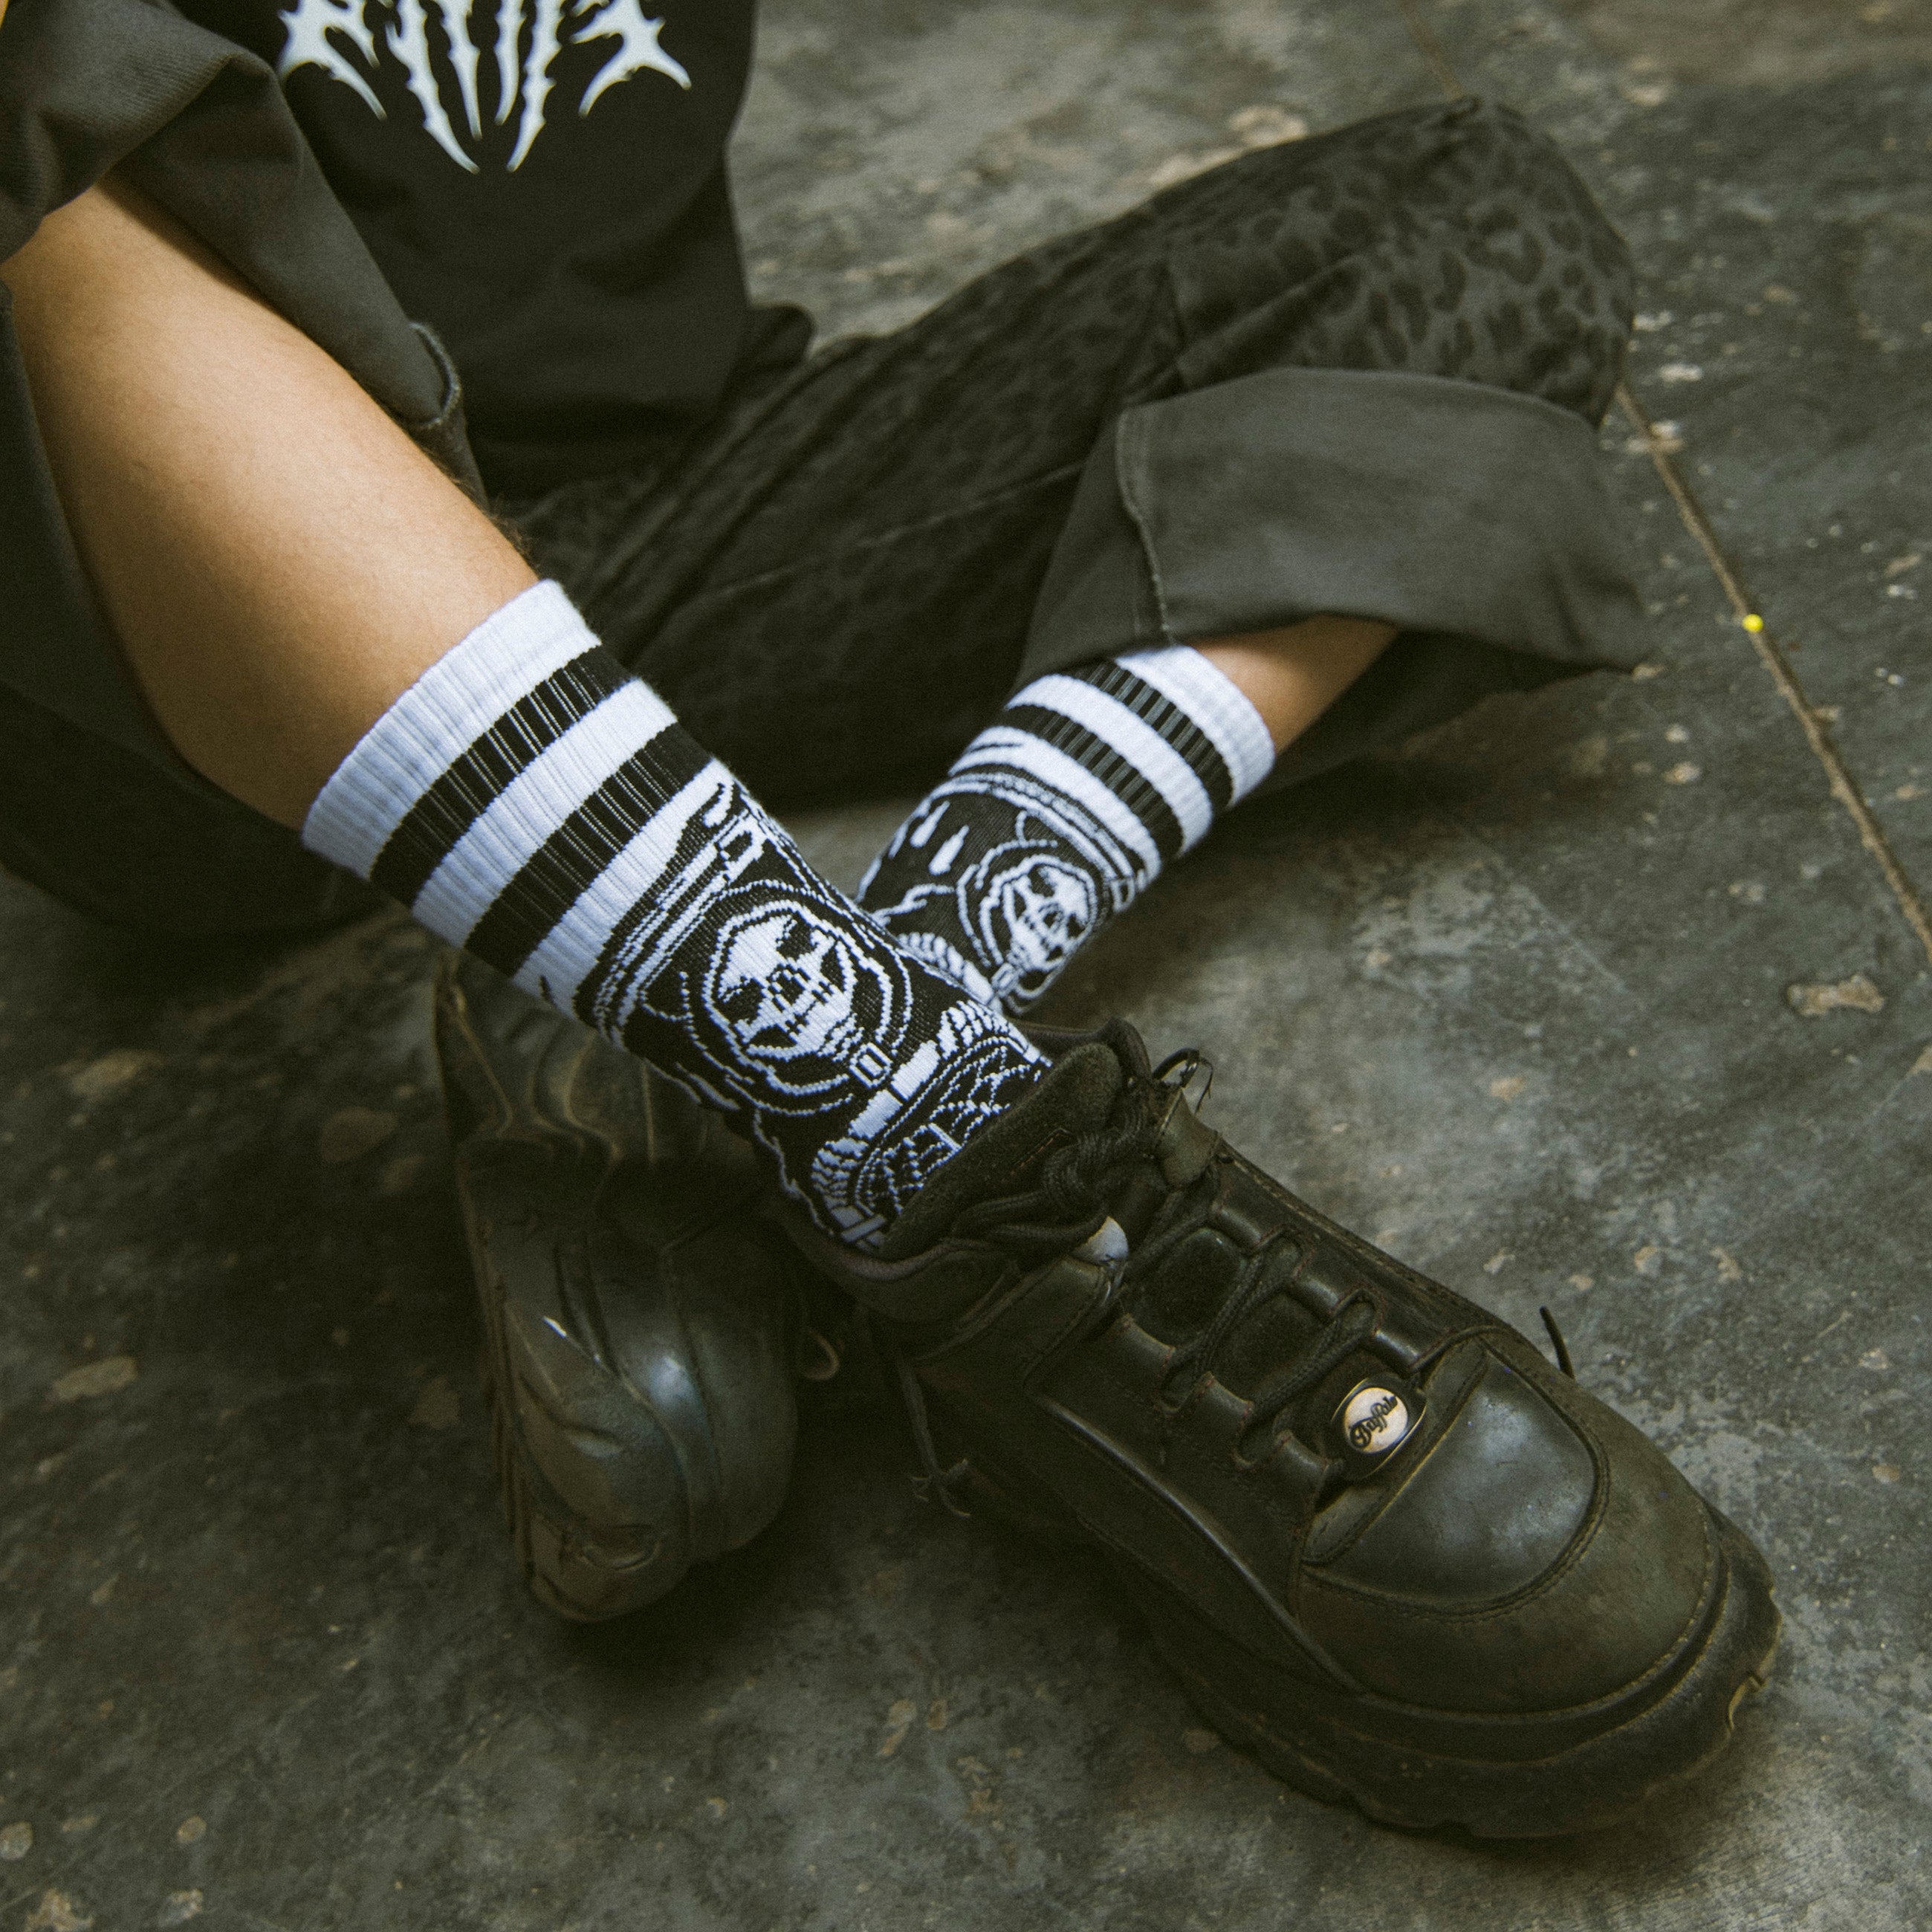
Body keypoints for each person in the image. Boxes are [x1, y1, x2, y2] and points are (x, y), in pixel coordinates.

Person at [0, 0, 1778, 1835]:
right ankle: (943, 1148)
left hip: (690, 505)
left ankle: (771, 1066)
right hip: (161, 624)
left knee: (1467, 228)